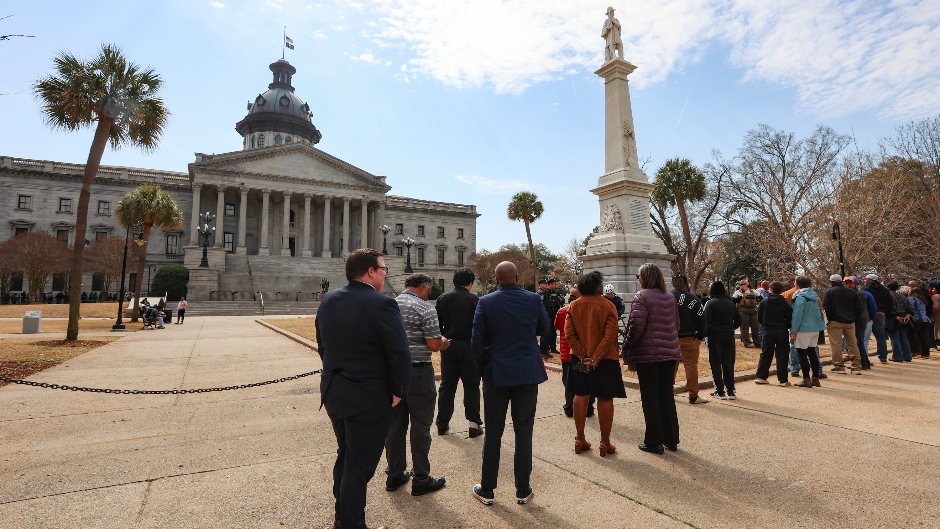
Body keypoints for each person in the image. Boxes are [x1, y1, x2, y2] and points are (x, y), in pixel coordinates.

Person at [315, 248, 410, 529]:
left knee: (346, 456)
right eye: (383, 269)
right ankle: (352, 524)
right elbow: (399, 353)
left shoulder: (328, 299)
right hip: (368, 398)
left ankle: (341, 517)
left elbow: (323, 346)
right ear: (370, 271)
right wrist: (398, 390)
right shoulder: (383, 304)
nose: (384, 273)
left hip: (335, 391)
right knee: (360, 466)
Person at [471, 261, 548, 506]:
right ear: (516, 277)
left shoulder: (486, 302)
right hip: (526, 372)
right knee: (524, 430)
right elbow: (544, 329)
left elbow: (476, 342)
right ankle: (523, 488)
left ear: (496, 279)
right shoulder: (534, 300)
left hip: (497, 372)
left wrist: (483, 369)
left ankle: (488, 488)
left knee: (493, 430)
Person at [385, 273, 449, 496]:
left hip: (391, 373)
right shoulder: (425, 308)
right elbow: (433, 344)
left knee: (394, 425)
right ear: (422, 287)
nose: (428, 294)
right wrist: (444, 342)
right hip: (418, 372)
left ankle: (394, 474)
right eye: (428, 290)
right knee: (421, 425)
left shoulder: (389, 304)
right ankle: (421, 477)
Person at [621, 263, 681, 454]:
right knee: (666, 396)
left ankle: (654, 441)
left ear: (645, 277)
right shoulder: (670, 297)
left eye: (638, 276)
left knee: (650, 399)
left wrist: (627, 346)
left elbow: (637, 326)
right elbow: (676, 324)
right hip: (669, 353)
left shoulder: (641, 297)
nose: (637, 279)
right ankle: (671, 439)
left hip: (648, 355)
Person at [565, 270, 625, 457]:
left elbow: (569, 335)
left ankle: (579, 438)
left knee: (580, 394)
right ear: (597, 286)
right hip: (606, 359)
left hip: (579, 358)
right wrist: (596, 357)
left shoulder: (573, 306)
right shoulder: (608, 306)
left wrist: (584, 356)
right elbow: (610, 336)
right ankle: (605, 442)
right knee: (605, 398)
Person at [435, 267, 483, 438]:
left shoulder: (442, 298)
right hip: (469, 345)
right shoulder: (474, 300)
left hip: (448, 344)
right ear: (470, 283)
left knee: (447, 385)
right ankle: (473, 423)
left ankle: (442, 423)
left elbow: (437, 324)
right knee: (471, 385)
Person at [555, 287, 594, 417]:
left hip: (566, 353)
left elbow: (556, 326)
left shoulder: (562, 311)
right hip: (584, 351)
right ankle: (588, 408)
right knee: (587, 381)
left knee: (569, 383)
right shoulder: (586, 311)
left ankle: (569, 407)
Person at [670, 274, 708, 404]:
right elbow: (702, 320)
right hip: (690, 338)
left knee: (671, 367)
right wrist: (701, 336)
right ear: (686, 284)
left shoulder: (666, 298)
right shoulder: (694, 299)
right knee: (691, 366)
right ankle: (693, 395)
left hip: (671, 339)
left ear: (673, 284)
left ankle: (668, 393)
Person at [704, 281, 741, 400]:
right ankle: (730, 391)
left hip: (714, 334)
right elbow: (739, 321)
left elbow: (705, 321)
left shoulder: (710, 303)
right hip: (729, 333)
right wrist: (731, 327)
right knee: (729, 362)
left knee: (715, 362)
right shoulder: (731, 304)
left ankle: (719, 391)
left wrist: (706, 333)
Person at [822, 274, 865, 375]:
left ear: (832, 282)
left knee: (836, 345)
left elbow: (826, 307)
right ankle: (856, 367)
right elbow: (859, 308)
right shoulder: (851, 292)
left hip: (835, 321)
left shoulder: (829, 292)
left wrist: (830, 319)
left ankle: (839, 366)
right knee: (853, 344)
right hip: (850, 321)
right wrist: (854, 319)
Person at [755, 281, 793, 386]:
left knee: (766, 353)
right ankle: (783, 379)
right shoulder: (785, 304)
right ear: (781, 291)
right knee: (782, 355)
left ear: (770, 290)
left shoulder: (764, 302)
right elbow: (790, 318)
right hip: (782, 330)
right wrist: (787, 326)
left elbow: (759, 317)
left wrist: (765, 324)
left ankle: (761, 376)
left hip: (768, 330)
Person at [791, 276, 826, 388]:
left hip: (803, 329)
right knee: (812, 353)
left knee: (802, 354)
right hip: (815, 328)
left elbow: (797, 315)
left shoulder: (800, 297)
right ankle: (815, 378)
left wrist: (793, 330)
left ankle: (806, 379)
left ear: (798, 284)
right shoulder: (814, 296)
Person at [843, 277, 876, 369]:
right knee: (858, 342)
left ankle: (863, 363)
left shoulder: (859, 294)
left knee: (858, 342)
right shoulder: (851, 293)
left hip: (859, 320)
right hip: (857, 319)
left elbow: (858, 308)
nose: (848, 285)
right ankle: (866, 362)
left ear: (856, 284)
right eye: (846, 283)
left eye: (850, 283)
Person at [863, 274, 893, 363]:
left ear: (871, 280)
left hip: (867, 314)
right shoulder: (885, 290)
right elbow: (890, 303)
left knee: (864, 337)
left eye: (866, 279)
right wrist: (886, 313)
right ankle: (883, 356)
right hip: (880, 314)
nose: (865, 280)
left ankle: (864, 357)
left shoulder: (865, 289)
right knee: (881, 336)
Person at [886, 281, 913, 362]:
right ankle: (907, 356)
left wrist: (897, 317)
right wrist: (906, 317)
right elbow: (911, 309)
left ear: (888, 288)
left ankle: (897, 357)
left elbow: (889, 310)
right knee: (903, 338)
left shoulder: (888, 297)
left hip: (892, 320)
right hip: (904, 320)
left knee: (894, 339)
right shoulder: (903, 297)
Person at [732, 280, 761, 348]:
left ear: (746, 285)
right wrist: (740, 298)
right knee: (744, 327)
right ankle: (747, 342)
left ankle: (757, 342)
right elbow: (733, 300)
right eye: (740, 285)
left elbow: (760, 298)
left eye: (741, 284)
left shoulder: (753, 291)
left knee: (755, 327)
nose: (740, 286)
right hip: (743, 310)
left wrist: (755, 298)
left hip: (753, 309)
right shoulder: (738, 292)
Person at [538, 278, 562, 359]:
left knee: (553, 333)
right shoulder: (544, 293)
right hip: (546, 315)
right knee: (546, 333)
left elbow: (560, 302)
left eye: (556, 284)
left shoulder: (556, 293)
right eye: (554, 284)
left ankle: (553, 348)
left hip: (554, 315)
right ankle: (543, 350)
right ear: (550, 284)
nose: (555, 285)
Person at [908, 287, 932, 359]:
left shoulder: (912, 299)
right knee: (922, 336)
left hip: (917, 319)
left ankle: (913, 351)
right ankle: (925, 353)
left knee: (910, 334)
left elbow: (910, 308)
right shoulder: (922, 300)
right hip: (925, 319)